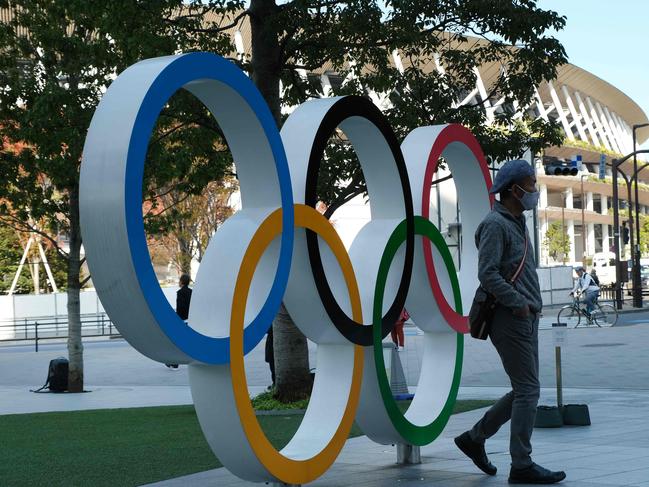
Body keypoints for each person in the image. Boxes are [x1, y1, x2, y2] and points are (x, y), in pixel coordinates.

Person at [454, 160, 566, 484]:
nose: (535, 190)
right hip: (509, 318)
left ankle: (474, 438)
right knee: (529, 390)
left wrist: (529, 309)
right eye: (531, 184)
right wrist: (518, 305)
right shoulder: (495, 224)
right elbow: (487, 274)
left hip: (525, 318)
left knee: (524, 389)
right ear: (514, 189)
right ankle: (521, 464)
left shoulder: (517, 222)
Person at [166, 274, 192, 369]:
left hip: (182, 320)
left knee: (175, 342)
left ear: (181, 281)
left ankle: (174, 363)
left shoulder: (180, 293)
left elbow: (180, 308)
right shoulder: (191, 292)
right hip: (190, 319)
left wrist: (176, 320)